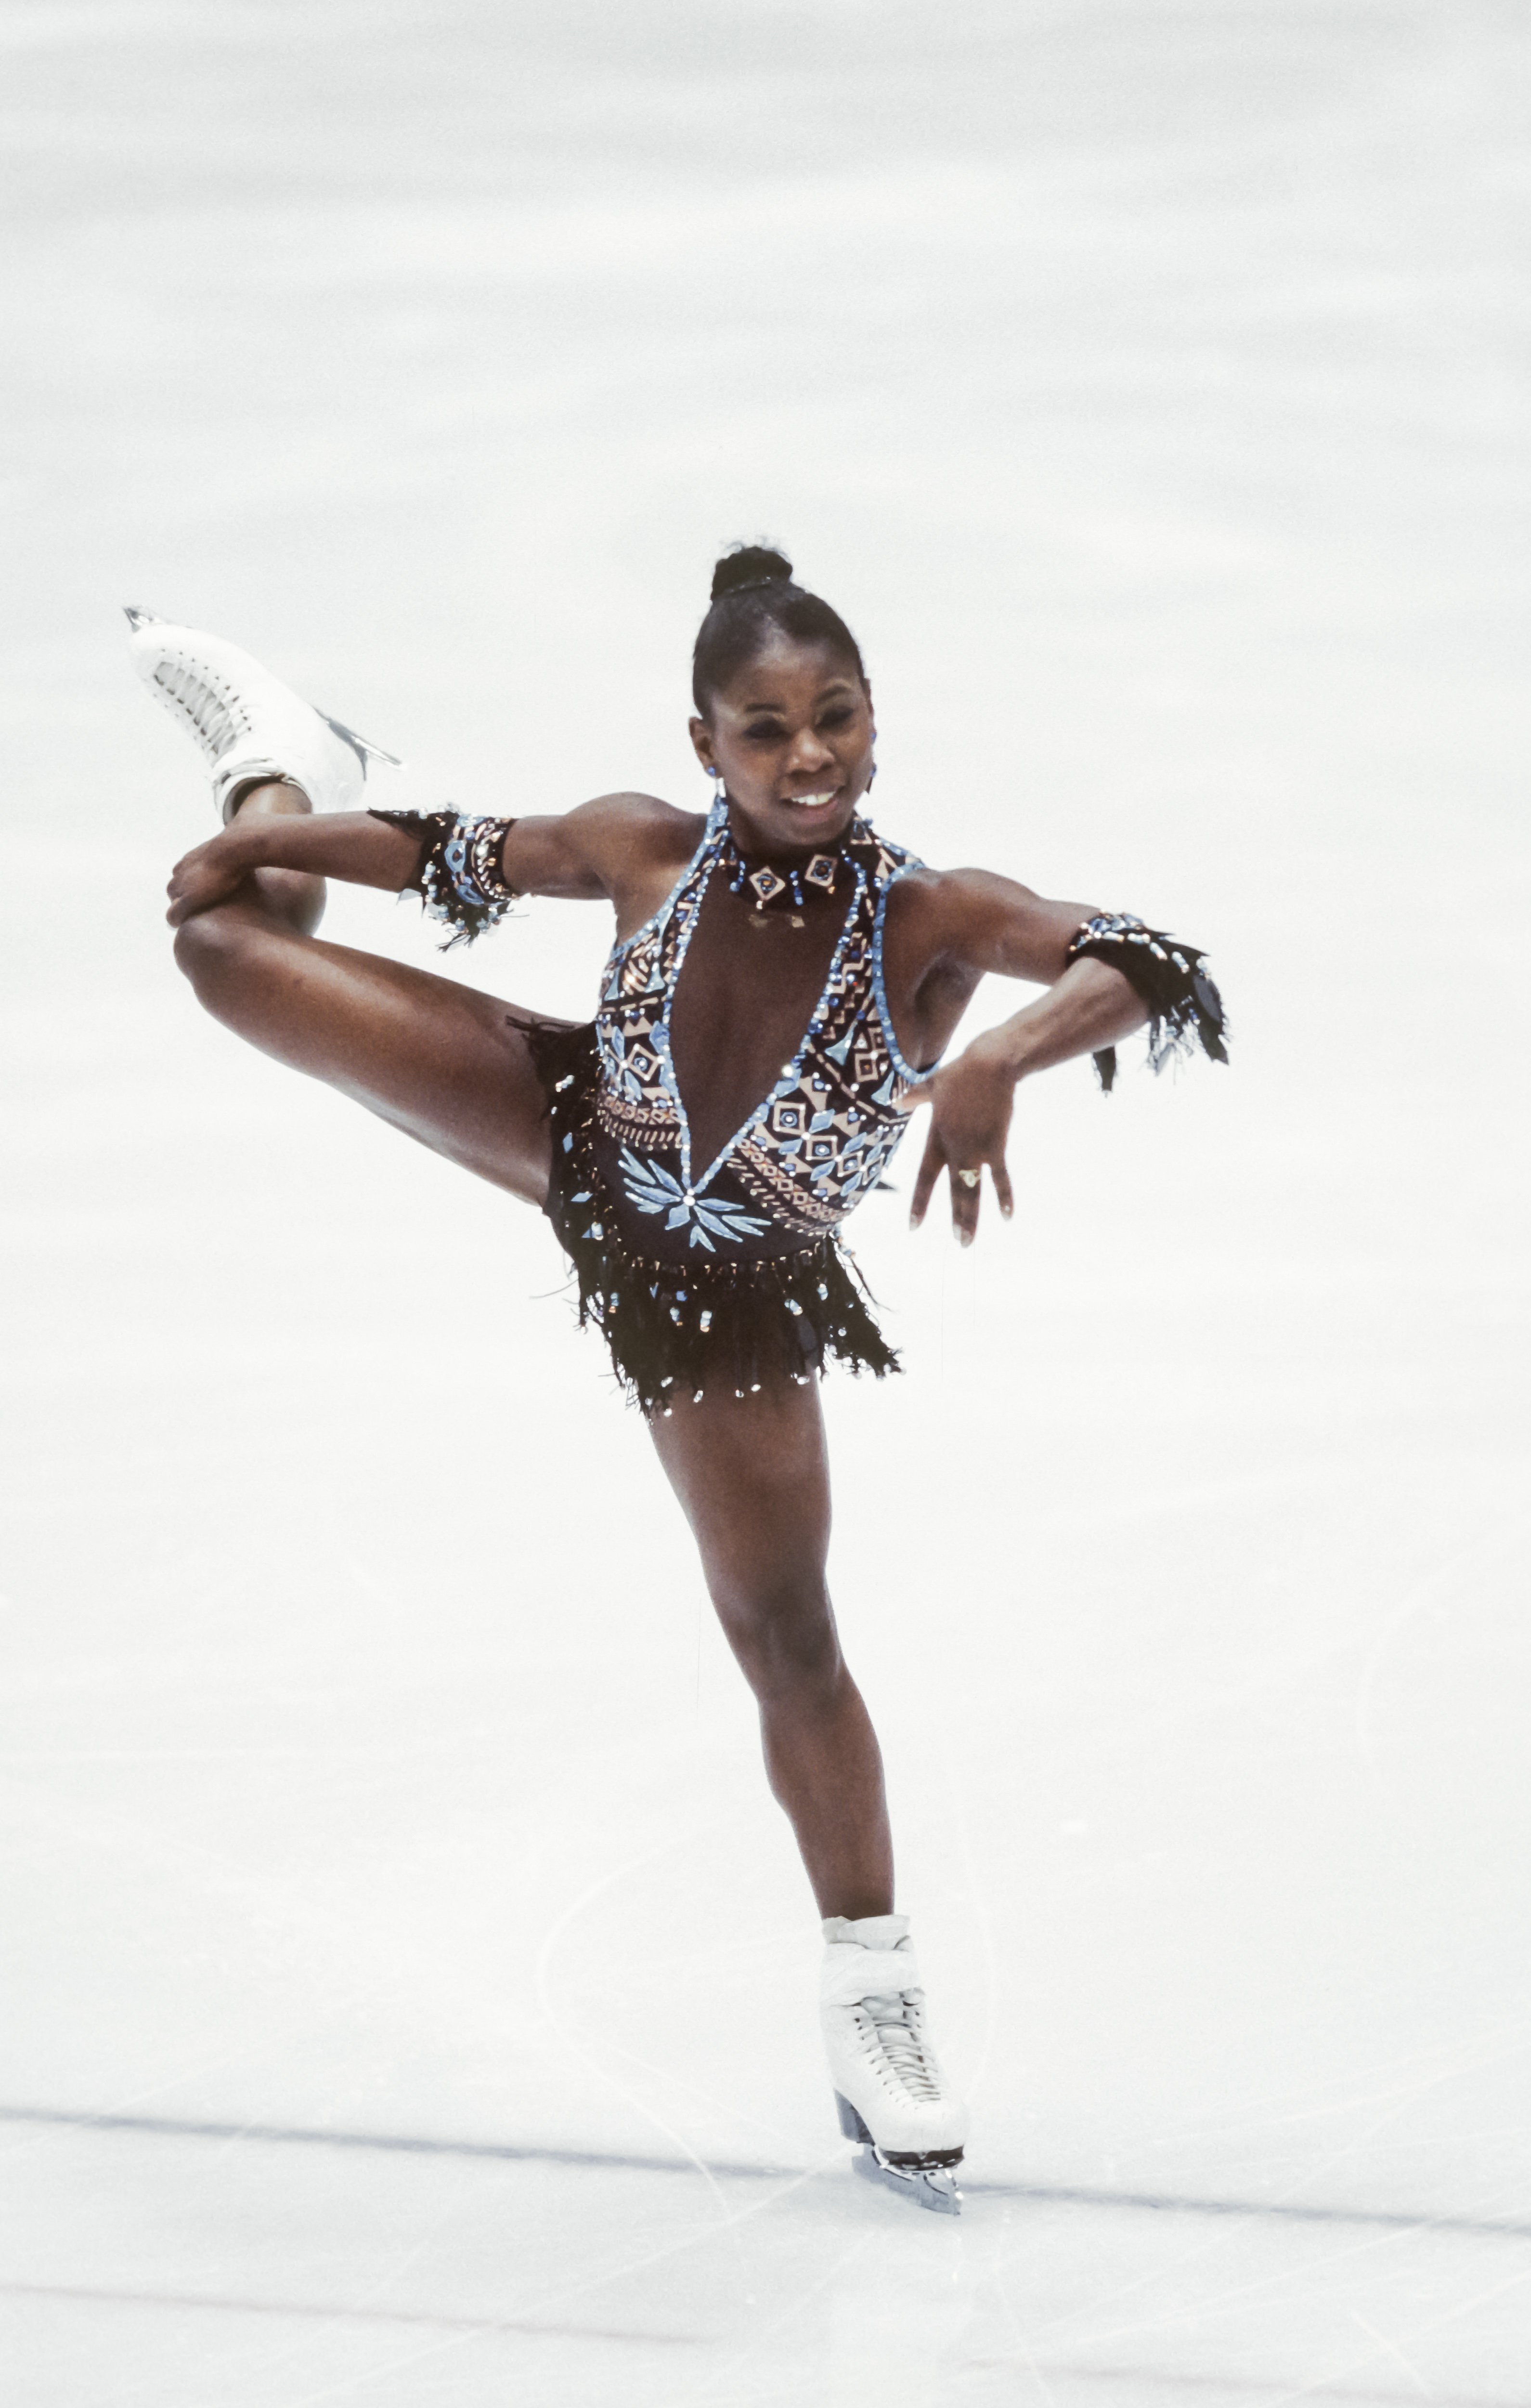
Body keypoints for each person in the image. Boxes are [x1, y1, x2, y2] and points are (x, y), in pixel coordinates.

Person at [134, 544, 1226, 2214]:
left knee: (784, 1634)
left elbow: (1143, 954)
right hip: (564, 1132)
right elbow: (453, 849)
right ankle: (277, 750)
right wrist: (275, 826)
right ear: (706, 740)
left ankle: (875, 1998)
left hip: (726, 1304)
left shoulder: (929, 918)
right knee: (221, 930)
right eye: (767, 729)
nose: (809, 760)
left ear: (874, 723)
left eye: (836, 721)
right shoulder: (641, 844)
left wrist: (1001, 1049)